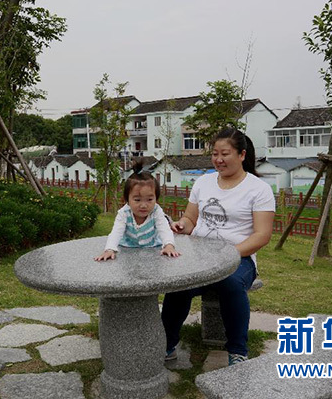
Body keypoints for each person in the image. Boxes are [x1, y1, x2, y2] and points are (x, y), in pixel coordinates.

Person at [161, 127, 275, 365]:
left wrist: (229, 254)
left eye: (225, 154)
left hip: (239, 258)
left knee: (230, 283)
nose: (218, 159)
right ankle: (166, 345)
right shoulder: (203, 182)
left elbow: (262, 235)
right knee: (178, 285)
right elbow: (190, 219)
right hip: (199, 255)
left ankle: (237, 352)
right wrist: (182, 225)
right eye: (215, 154)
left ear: (242, 155)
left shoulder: (259, 189)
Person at [94, 160, 180, 261]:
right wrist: (109, 249)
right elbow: (116, 232)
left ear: (156, 198)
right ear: (127, 200)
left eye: (149, 199)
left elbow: (164, 229)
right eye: (137, 200)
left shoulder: (156, 211)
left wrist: (169, 245)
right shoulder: (124, 213)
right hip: (127, 248)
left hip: (152, 247)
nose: (143, 205)